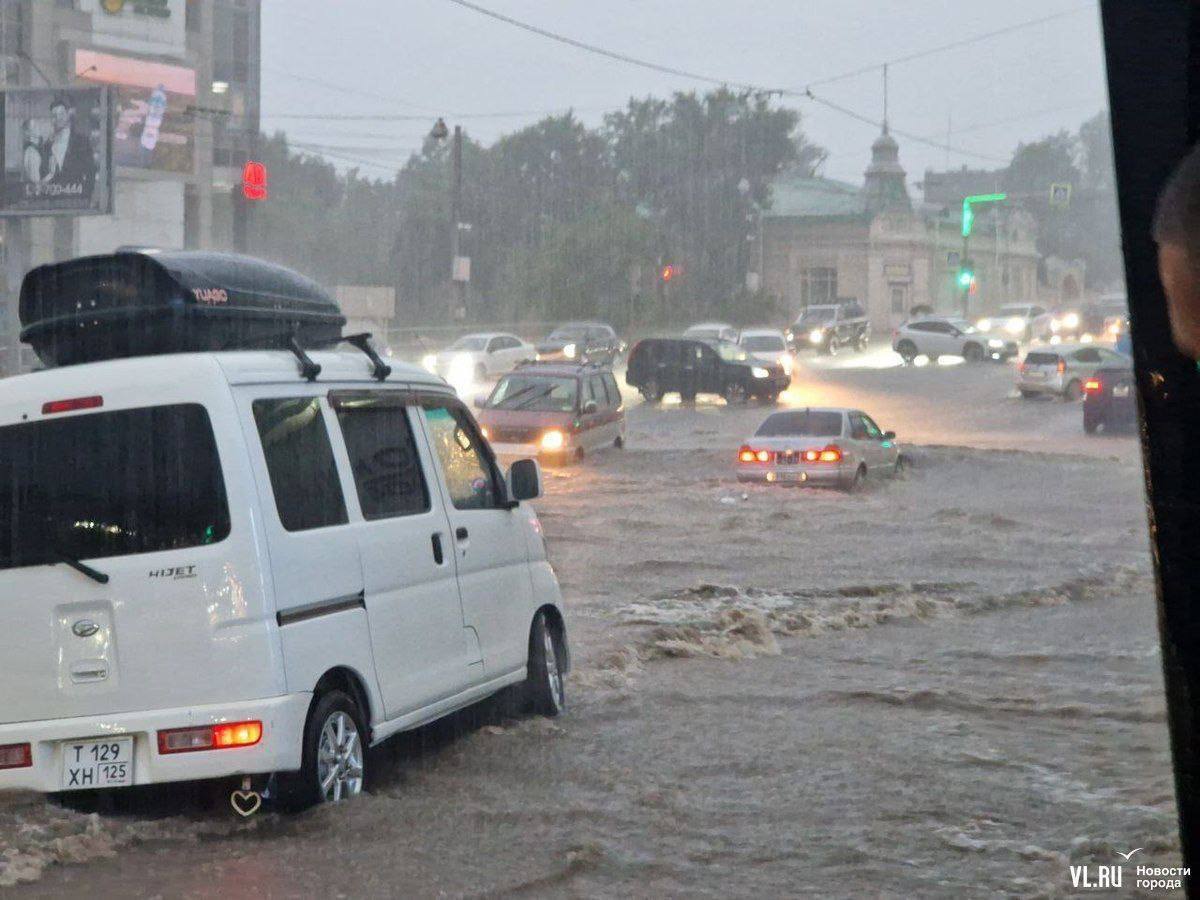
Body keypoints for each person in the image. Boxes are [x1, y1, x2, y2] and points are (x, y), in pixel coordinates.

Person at [44, 93, 95, 199]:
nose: (58, 118)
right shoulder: (47, 144)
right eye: (54, 115)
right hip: (51, 200)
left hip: (75, 199)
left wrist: (86, 197)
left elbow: (90, 172)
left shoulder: (81, 141)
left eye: (61, 114)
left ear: (68, 114)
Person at [20, 119, 47, 184]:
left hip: (34, 155)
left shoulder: (36, 137)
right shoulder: (28, 139)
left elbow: (40, 145)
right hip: (31, 155)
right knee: (30, 176)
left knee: (33, 177)